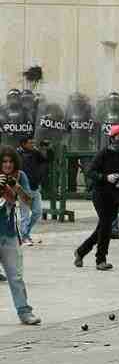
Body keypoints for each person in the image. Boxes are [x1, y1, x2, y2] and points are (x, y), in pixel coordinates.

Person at [74, 125, 119, 271]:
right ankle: (100, 259)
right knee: (106, 226)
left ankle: (81, 251)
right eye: (118, 137)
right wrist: (106, 177)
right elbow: (90, 171)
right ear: (112, 138)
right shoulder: (103, 153)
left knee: (104, 227)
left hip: (116, 195)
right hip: (101, 194)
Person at [0, 146, 40, 325]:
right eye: (4, 162)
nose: (8, 165)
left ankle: (24, 311)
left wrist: (15, 186)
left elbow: (28, 201)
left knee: (15, 276)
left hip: (8, 234)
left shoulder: (20, 176)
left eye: (10, 162)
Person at [16, 136, 47, 246]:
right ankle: (24, 237)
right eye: (30, 143)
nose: (32, 145)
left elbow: (46, 160)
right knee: (25, 215)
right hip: (23, 189)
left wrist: (46, 148)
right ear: (23, 144)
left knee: (37, 212)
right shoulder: (16, 155)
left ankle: (24, 234)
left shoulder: (35, 153)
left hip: (35, 187)